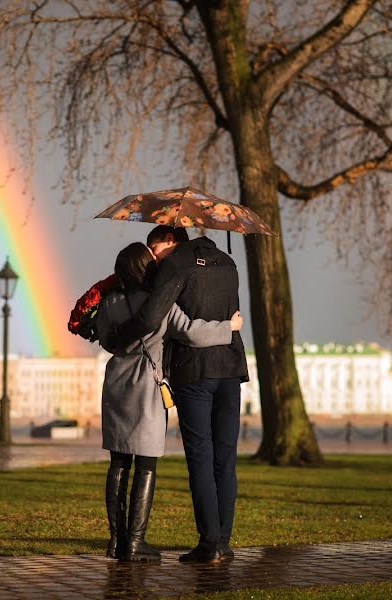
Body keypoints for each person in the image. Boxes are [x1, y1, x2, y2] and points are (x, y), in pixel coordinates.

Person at [108, 225, 248, 564]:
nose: (153, 260)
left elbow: (153, 316)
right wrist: (228, 330)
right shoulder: (228, 262)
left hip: (193, 371)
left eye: (155, 251)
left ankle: (209, 543)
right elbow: (233, 313)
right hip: (230, 368)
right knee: (225, 459)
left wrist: (119, 338)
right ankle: (224, 541)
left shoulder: (175, 266)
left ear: (170, 242)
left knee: (200, 456)